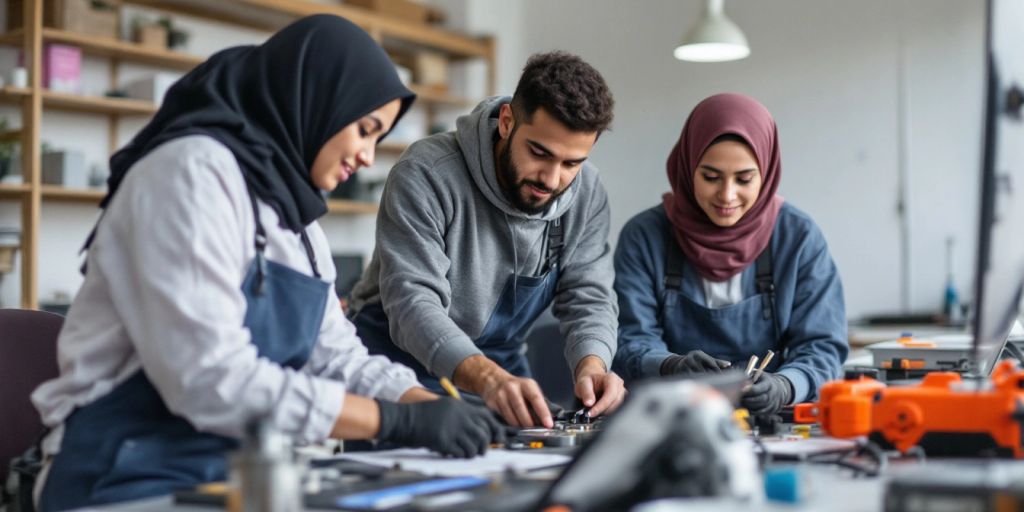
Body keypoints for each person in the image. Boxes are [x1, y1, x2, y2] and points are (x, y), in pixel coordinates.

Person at [30, 15, 502, 511]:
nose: (367, 157)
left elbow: (336, 356)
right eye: (365, 130)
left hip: (232, 478)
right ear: (317, 98)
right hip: (125, 479)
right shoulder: (189, 173)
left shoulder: (297, 224)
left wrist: (429, 406)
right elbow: (209, 380)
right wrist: (396, 422)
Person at [348, 52, 625, 428]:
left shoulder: (587, 191)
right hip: (398, 364)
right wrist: (488, 378)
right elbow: (413, 302)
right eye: (539, 153)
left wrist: (592, 362)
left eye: (571, 163)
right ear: (508, 121)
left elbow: (589, 296)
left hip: (501, 368)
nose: (551, 178)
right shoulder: (426, 173)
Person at [612, 93, 848, 416]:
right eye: (710, 177)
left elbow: (823, 347)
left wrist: (785, 386)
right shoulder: (644, 238)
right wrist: (670, 366)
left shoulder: (799, 238)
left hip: (770, 419)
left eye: (744, 178)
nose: (727, 195)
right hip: (671, 418)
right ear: (688, 166)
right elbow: (629, 341)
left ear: (766, 174)